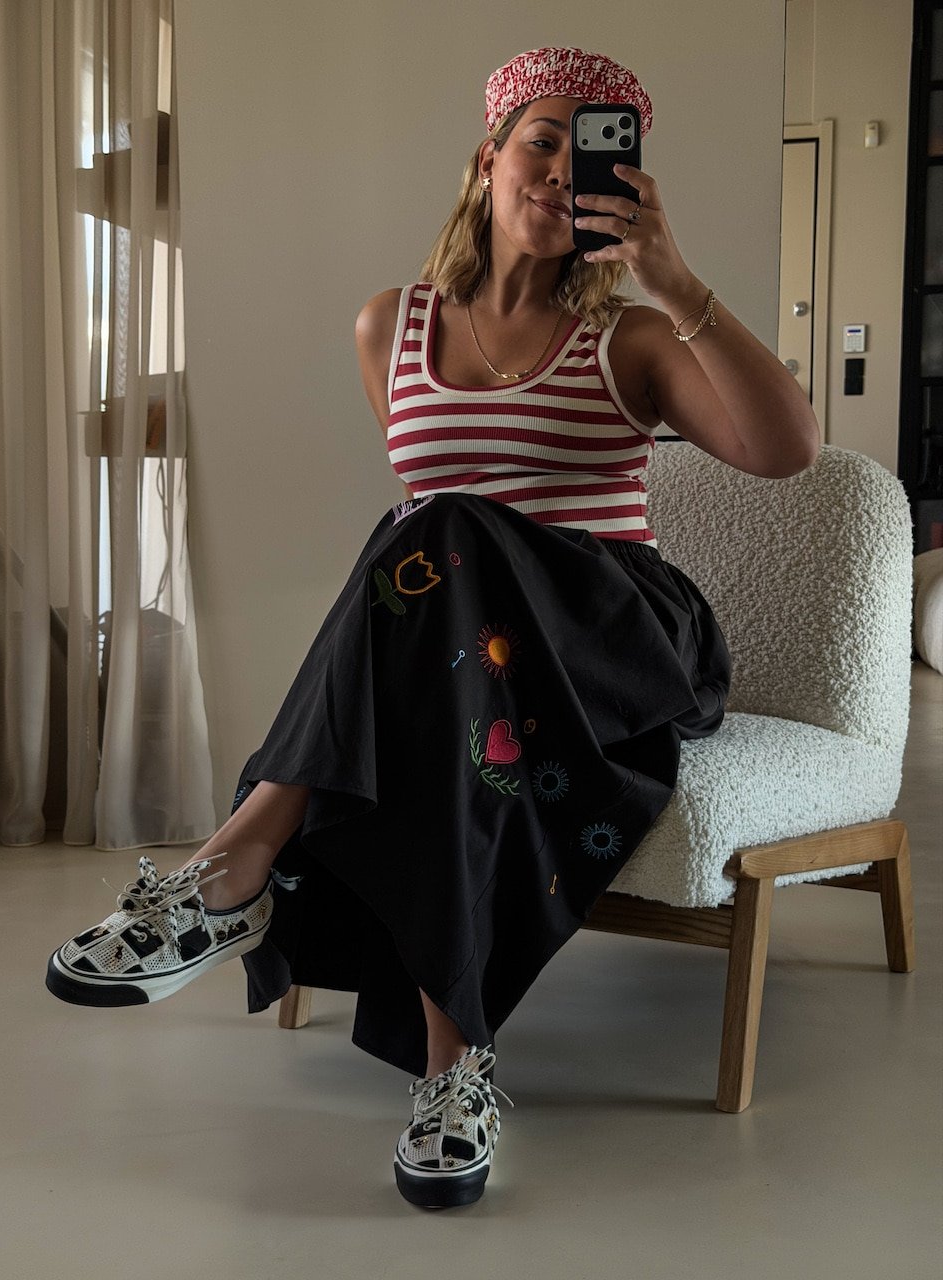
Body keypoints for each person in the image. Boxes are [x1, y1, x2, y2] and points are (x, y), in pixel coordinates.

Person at [45, 47, 820, 1209]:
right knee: (436, 603)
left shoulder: (633, 341)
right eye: (542, 141)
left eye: (592, 154)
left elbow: (787, 449)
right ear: (488, 158)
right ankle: (456, 1072)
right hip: (484, 651)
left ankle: (233, 859)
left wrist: (674, 277)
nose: (560, 171)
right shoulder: (391, 326)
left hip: (619, 637)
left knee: (439, 523)